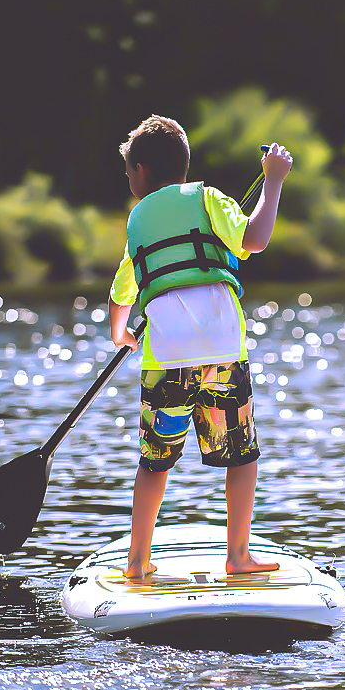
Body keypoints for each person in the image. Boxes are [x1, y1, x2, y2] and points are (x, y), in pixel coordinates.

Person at [107, 114, 292, 579]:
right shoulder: (208, 199)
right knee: (241, 454)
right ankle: (237, 556)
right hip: (223, 353)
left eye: (129, 170)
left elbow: (123, 290)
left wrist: (120, 334)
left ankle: (137, 561)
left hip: (165, 357)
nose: (129, 179)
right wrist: (272, 184)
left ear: (142, 172)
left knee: (155, 462)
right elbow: (256, 238)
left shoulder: (138, 221)